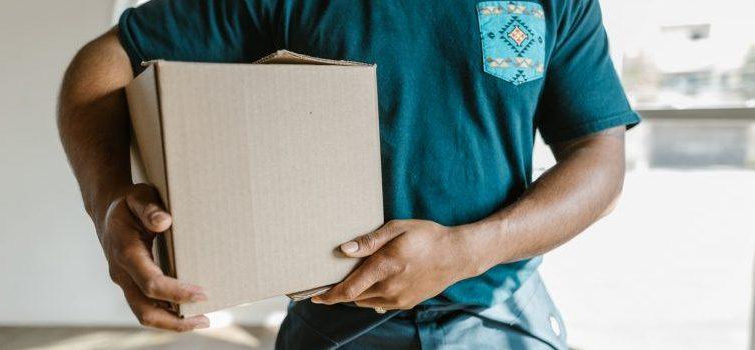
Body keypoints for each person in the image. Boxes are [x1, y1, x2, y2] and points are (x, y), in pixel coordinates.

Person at [57, 0, 639, 348]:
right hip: (335, 322)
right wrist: (107, 204)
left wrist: (470, 249)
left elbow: (599, 154)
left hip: (505, 314)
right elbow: (101, 64)